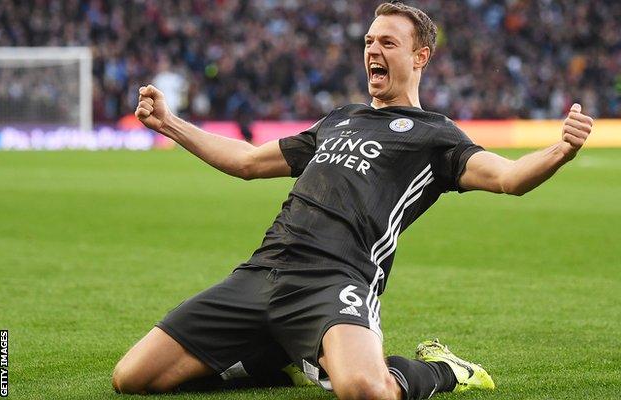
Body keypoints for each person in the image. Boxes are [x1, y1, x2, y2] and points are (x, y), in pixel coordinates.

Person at [112, 2, 594, 399]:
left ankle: (444, 371)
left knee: (366, 391)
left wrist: (562, 149)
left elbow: (509, 177)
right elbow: (247, 162)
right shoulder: (340, 119)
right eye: (368, 42)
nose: (372, 51)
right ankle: (269, 358)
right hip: (264, 270)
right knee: (132, 378)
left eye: (388, 42)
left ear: (421, 56)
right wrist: (170, 124)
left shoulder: (436, 136)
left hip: (336, 279)